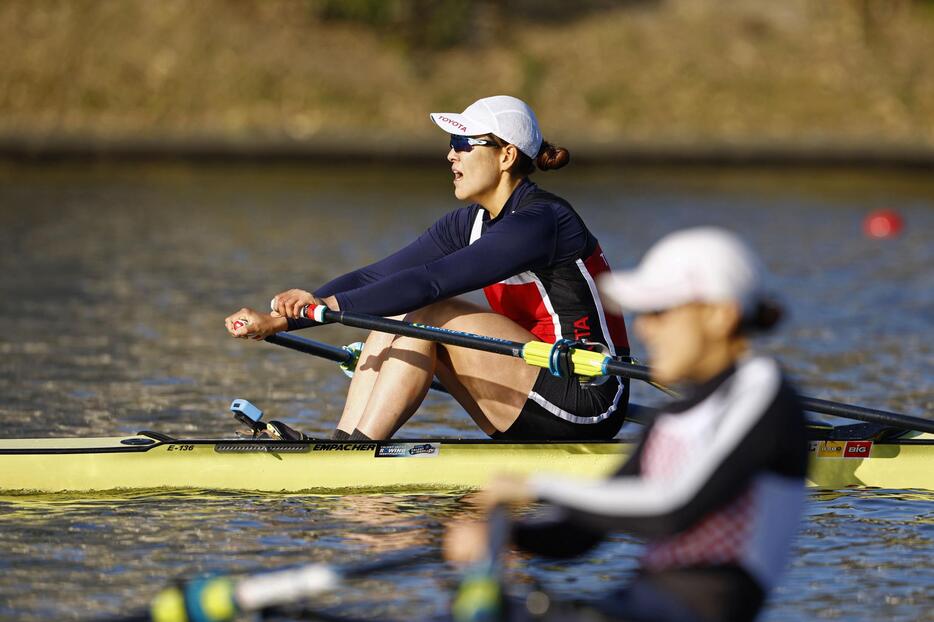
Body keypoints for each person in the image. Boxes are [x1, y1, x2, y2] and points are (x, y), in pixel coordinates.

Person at [444, 227, 809, 622]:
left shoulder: (763, 391)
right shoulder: (671, 418)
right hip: (638, 603)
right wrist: (506, 533)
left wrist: (534, 484)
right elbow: (581, 533)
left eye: (659, 312)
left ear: (721, 315)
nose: (643, 328)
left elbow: (673, 506)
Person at [224, 95, 629, 441]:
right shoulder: (467, 223)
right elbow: (376, 278)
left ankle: (356, 453)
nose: (450, 154)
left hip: (588, 397)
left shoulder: (542, 221)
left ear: (506, 155)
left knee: (429, 311)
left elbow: (432, 282)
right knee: (393, 312)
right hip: (533, 385)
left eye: (463, 142)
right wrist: (283, 320)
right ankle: (344, 443)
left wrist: (321, 306)